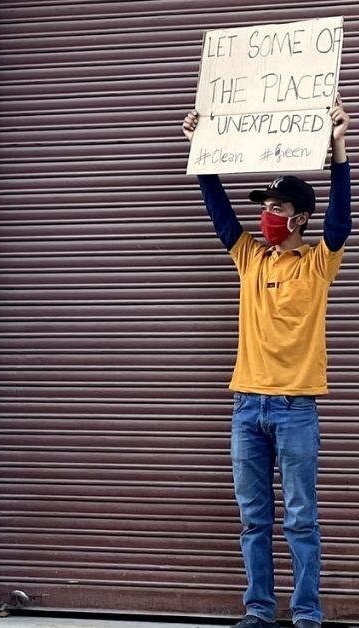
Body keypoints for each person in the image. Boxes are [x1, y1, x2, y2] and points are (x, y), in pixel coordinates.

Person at [181, 100, 351, 628]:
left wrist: (340, 151)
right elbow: (218, 211)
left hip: (296, 408)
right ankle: (258, 611)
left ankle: (306, 616)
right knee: (253, 520)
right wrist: (201, 149)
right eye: (266, 208)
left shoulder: (320, 261)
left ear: (300, 218)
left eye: (277, 209)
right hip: (246, 406)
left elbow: (343, 218)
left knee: (301, 519)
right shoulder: (250, 257)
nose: (267, 217)